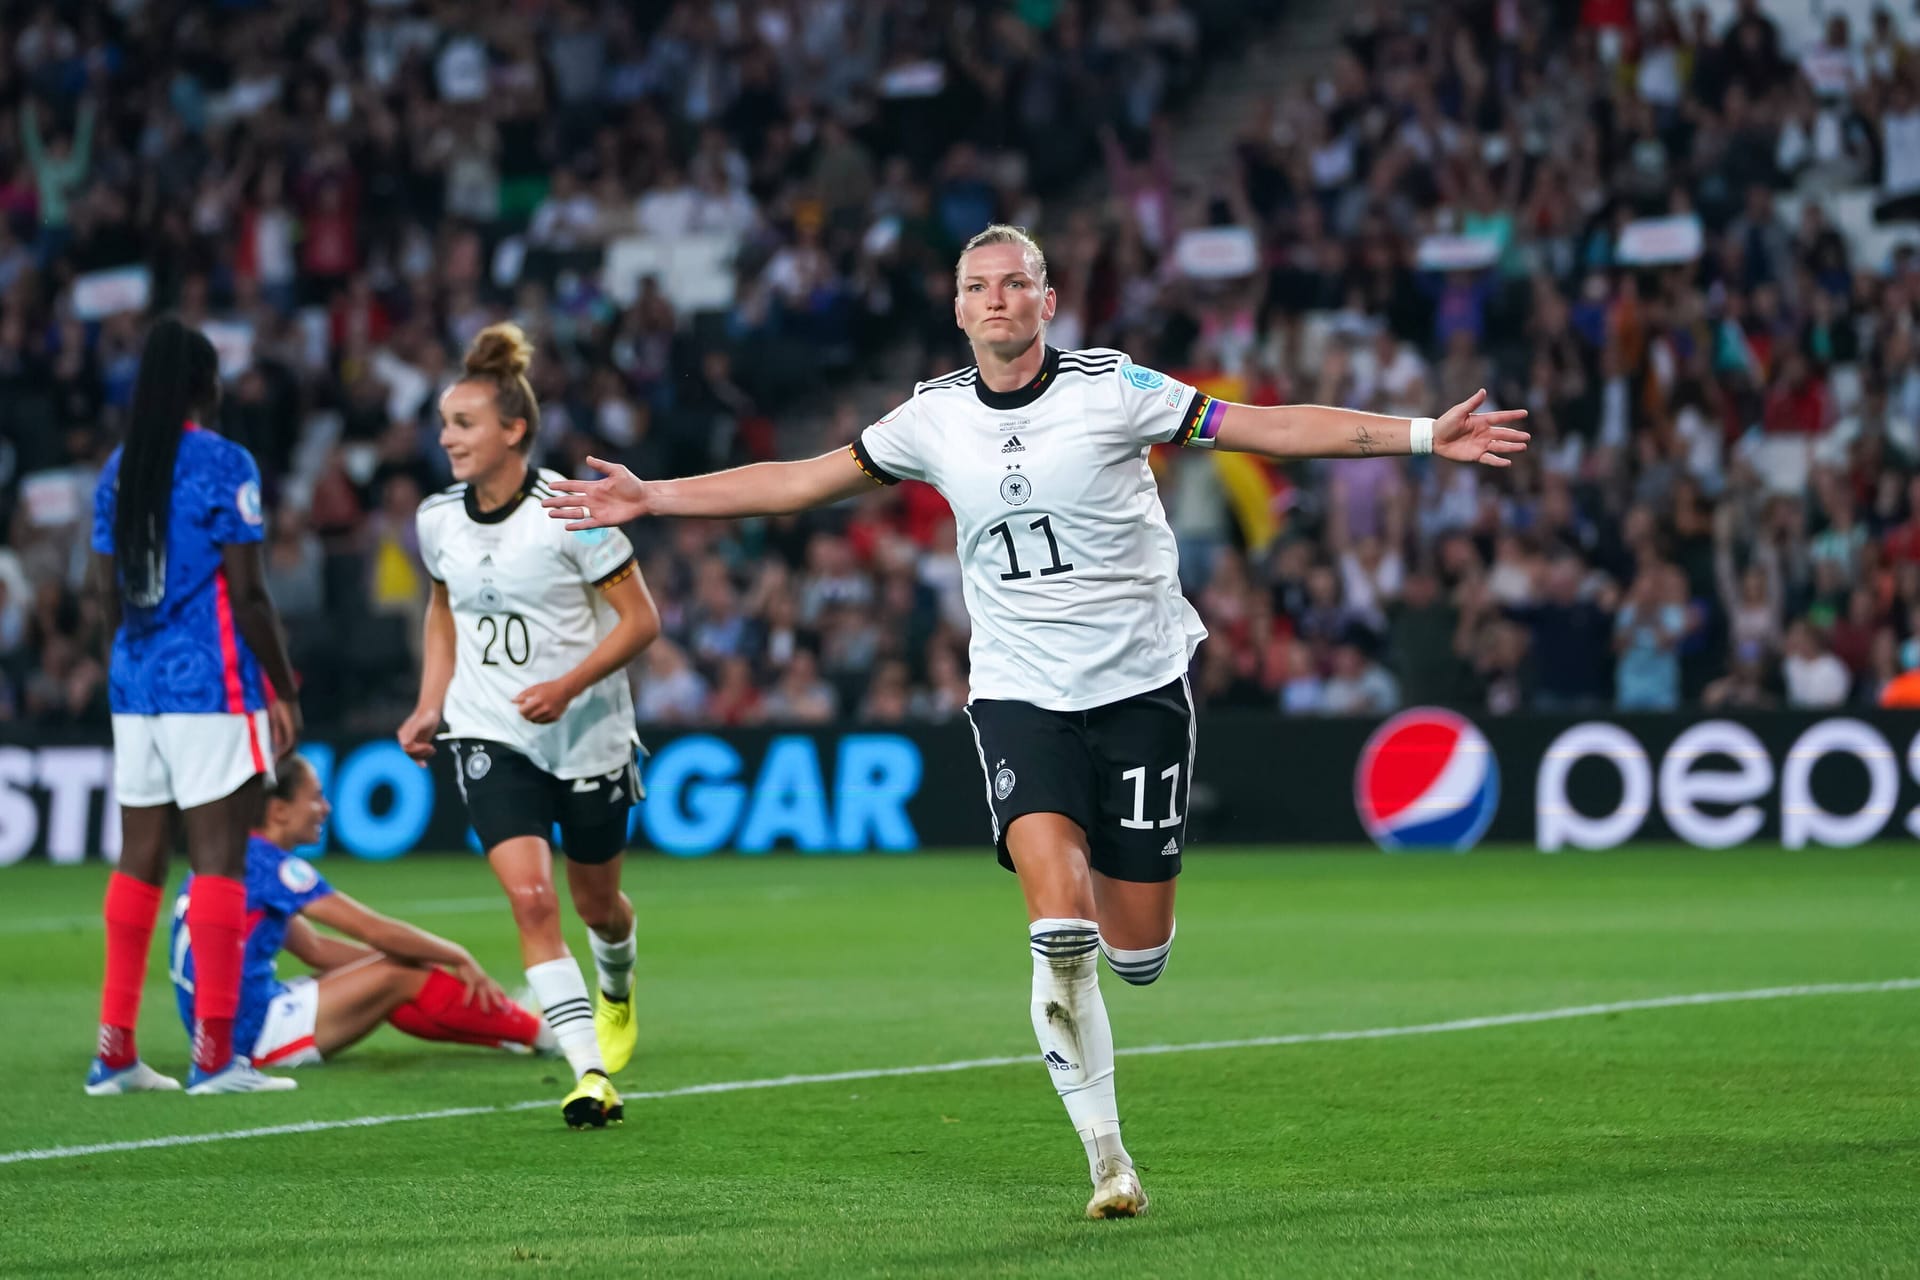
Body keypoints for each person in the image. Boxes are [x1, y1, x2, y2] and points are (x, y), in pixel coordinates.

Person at [543, 225, 1529, 1217]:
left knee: (1137, 954)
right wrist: (653, 496)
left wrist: (1417, 434)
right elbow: (800, 478)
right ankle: (1110, 1158)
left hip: (1140, 688)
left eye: (1018, 282)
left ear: (1048, 302)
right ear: (960, 309)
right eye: (981, 286)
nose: (1000, 298)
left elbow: (1266, 426)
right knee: (1059, 927)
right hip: (1019, 696)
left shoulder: (1114, 391)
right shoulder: (930, 417)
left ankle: (1107, 904)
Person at [397, 323, 661, 1130]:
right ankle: (588, 1073)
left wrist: (569, 684)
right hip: (488, 730)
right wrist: (430, 701)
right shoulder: (437, 518)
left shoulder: (570, 512)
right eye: (445, 424)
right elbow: (442, 610)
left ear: (514, 430)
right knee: (532, 899)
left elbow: (641, 621)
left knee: (597, 906)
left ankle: (616, 984)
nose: (447, 438)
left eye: (464, 423)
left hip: (585, 731)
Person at [84, 317, 303, 1097]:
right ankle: (216, 1057)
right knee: (219, 861)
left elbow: (102, 593)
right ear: (206, 386)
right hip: (211, 686)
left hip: (134, 686)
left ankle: (113, 1051)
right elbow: (248, 594)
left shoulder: (117, 470)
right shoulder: (222, 464)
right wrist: (282, 683)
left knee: (138, 859)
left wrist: (131, 665)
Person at [169, 755, 552, 1068]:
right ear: (280, 810)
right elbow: (374, 930)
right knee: (399, 972)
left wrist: (408, 959)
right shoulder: (272, 865)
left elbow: (314, 949)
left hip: (218, 1031)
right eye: (316, 797)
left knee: (394, 968)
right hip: (252, 1035)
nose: (326, 808)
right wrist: (456, 955)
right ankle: (539, 1033)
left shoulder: (232, 857)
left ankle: (512, 1029)